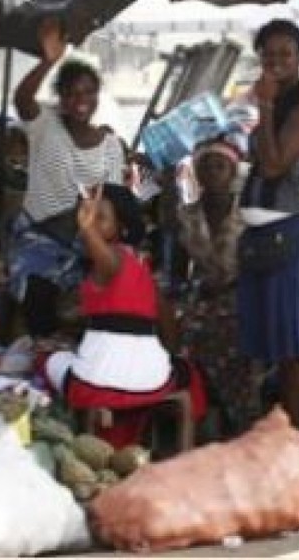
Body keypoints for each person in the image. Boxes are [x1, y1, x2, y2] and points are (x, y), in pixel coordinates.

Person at [40, 183, 206, 448]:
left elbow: (70, 311)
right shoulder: (141, 267)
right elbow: (166, 320)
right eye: (87, 212)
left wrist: (86, 228)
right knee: (188, 373)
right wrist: (169, 357)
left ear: (122, 228)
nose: (91, 218)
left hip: (97, 384)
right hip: (153, 382)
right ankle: (182, 450)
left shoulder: (112, 260)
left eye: (100, 216)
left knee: (50, 362)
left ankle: (82, 435)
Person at [235, 19, 299, 454]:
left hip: (294, 236)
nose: (276, 62)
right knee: (288, 350)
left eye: (285, 54)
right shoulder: (274, 102)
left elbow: (276, 165)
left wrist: (267, 107)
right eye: (268, 54)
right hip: (266, 239)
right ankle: (292, 440)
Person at [8, 19, 126, 337]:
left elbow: (111, 206)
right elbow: (21, 100)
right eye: (72, 93)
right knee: (38, 295)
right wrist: (49, 60)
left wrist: (99, 244)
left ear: (98, 95)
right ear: (60, 96)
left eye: (88, 92)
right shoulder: (46, 125)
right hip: (39, 239)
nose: (80, 100)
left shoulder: (111, 145)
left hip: (86, 243)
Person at [171, 138, 259, 438]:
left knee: (237, 338)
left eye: (220, 165)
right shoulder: (186, 215)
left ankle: (241, 422)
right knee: (188, 336)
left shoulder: (248, 214)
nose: (212, 172)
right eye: (205, 165)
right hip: (203, 298)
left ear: (233, 170)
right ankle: (206, 413)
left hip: (241, 296)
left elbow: (257, 265)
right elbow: (179, 271)